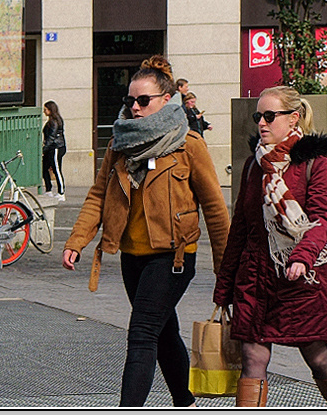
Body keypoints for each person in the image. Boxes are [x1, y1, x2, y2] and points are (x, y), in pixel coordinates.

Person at [62, 55, 230, 407]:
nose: (134, 108)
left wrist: (226, 271)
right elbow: (97, 194)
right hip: (131, 258)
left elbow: (215, 209)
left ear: (166, 101)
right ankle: (185, 402)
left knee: (141, 334)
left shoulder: (188, 145)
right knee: (163, 332)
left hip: (173, 258)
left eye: (143, 101)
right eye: (130, 101)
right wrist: (77, 240)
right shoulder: (119, 145)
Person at [213, 85, 327, 407]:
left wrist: (302, 258)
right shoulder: (252, 165)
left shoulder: (314, 162)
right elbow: (241, 229)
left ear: (294, 118)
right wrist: (224, 288)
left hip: (301, 281)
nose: (262, 122)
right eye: (258, 115)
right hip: (255, 278)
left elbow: (322, 219)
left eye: (270, 116)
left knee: (317, 356)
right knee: (253, 357)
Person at [42, 100, 67, 201]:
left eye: (45, 109)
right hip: (52, 147)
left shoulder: (54, 122)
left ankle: (61, 192)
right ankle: (48, 190)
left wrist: (44, 149)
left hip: (55, 147)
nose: (44, 111)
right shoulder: (54, 121)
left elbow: (51, 137)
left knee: (56, 169)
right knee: (44, 168)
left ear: (50, 110)